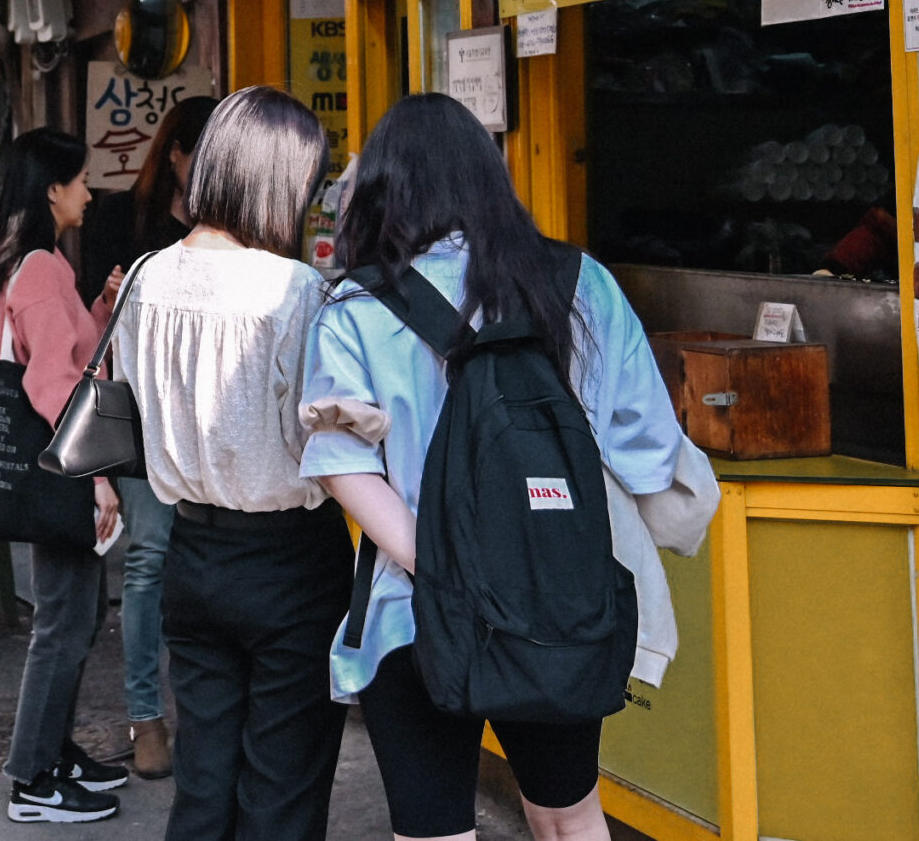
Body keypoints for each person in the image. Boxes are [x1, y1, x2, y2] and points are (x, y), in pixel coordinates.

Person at [304, 93, 688, 841]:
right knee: (567, 814)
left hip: (410, 611)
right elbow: (647, 446)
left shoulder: (356, 307)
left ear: (382, 187)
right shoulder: (581, 285)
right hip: (555, 603)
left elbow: (340, 462)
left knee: (434, 832)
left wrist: (442, 567)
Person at [111, 87, 346, 841]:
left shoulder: (145, 277)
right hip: (288, 557)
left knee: (204, 779)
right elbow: (320, 436)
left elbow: (133, 403)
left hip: (193, 548)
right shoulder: (296, 289)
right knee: (284, 783)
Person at [0, 129, 131, 824]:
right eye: (80, 179)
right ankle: (32, 777)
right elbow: (50, 381)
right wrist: (97, 478)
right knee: (63, 622)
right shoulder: (40, 266)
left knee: (74, 616)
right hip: (62, 463)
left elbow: (65, 355)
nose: (89, 191)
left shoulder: (31, 263)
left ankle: (57, 754)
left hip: (52, 457)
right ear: (52, 188)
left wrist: (100, 306)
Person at [109, 91, 213, 778]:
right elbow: (101, 316)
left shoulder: (237, 219)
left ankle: (205, 714)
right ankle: (146, 715)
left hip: (212, 413)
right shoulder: (126, 219)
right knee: (148, 560)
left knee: (203, 565)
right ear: (174, 152)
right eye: (202, 153)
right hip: (143, 414)